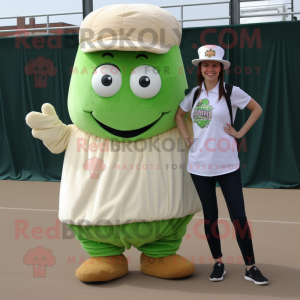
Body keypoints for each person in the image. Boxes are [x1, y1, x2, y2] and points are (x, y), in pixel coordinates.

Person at [175, 45, 269, 285]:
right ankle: (218, 262)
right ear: (200, 68)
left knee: (239, 216)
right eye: (205, 65)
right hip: (199, 166)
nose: (209, 68)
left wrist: (239, 133)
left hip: (227, 165)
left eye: (214, 65)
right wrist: (187, 135)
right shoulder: (194, 94)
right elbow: (178, 115)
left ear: (220, 68)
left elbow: (256, 109)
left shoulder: (231, 92)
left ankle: (251, 266)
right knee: (210, 217)